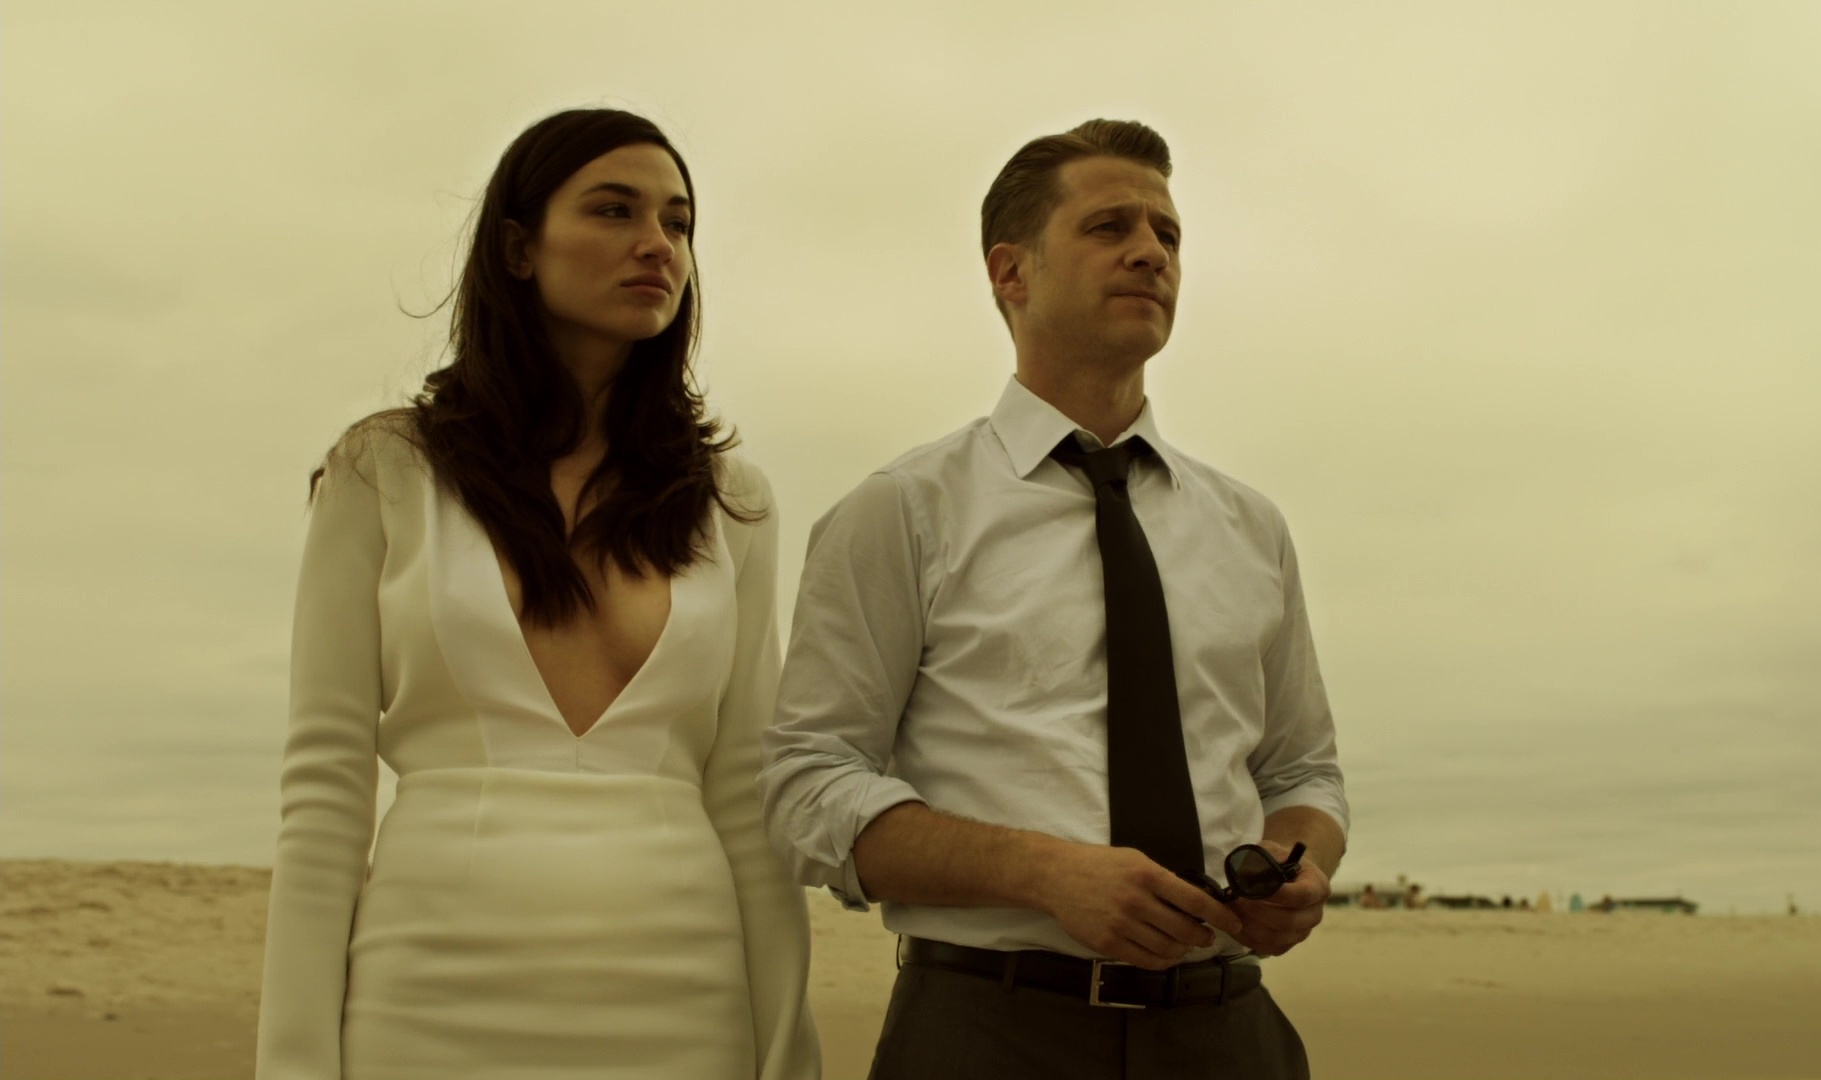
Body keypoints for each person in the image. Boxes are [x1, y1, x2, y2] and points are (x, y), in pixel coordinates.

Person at [760, 119, 1348, 1079]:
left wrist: (1297, 865)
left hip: (1228, 1031)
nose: (1151, 252)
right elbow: (807, 784)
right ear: (1011, 273)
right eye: (1110, 226)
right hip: (988, 1032)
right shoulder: (902, 510)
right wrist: (1043, 873)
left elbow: (1302, 773)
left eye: (1168, 233)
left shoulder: (1251, 528)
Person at [254, 108, 819, 1079]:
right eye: (614, 210)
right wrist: (294, 1063)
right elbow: (325, 790)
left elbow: (744, 795)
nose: (657, 244)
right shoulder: (385, 470)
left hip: (684, 1005)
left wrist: (785, 1050)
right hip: (425, 1001)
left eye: (678, 222)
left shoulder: (730, 501)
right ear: (519, 248)